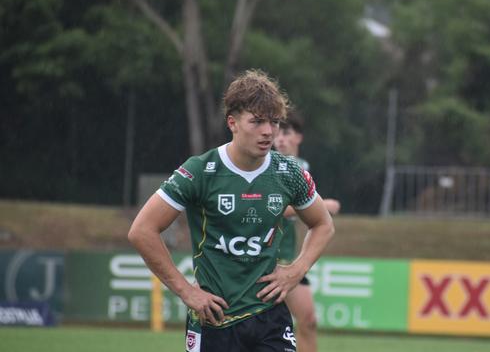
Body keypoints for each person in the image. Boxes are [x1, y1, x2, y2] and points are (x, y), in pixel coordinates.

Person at [128, 69, 335, 352]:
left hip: (270, 318)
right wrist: (186, 291)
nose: (268, 131)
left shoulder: (289, 173)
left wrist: (297, 269)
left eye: (274, 122)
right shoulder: (200, 171)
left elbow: (323, 224)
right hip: (215, 319)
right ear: (232, 122)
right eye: (257, 121)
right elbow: (142, 231)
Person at [273, 111, 340, 352]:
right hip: (265, 258)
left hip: (290, 259)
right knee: (261, 328)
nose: (279, 138)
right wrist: (325, 206)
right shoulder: (265, 165)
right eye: (277, 132)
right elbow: (271, 208)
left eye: (286, 133)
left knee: (309, 321)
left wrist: (317, 211)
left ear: (298, 138)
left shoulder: (301, 168)